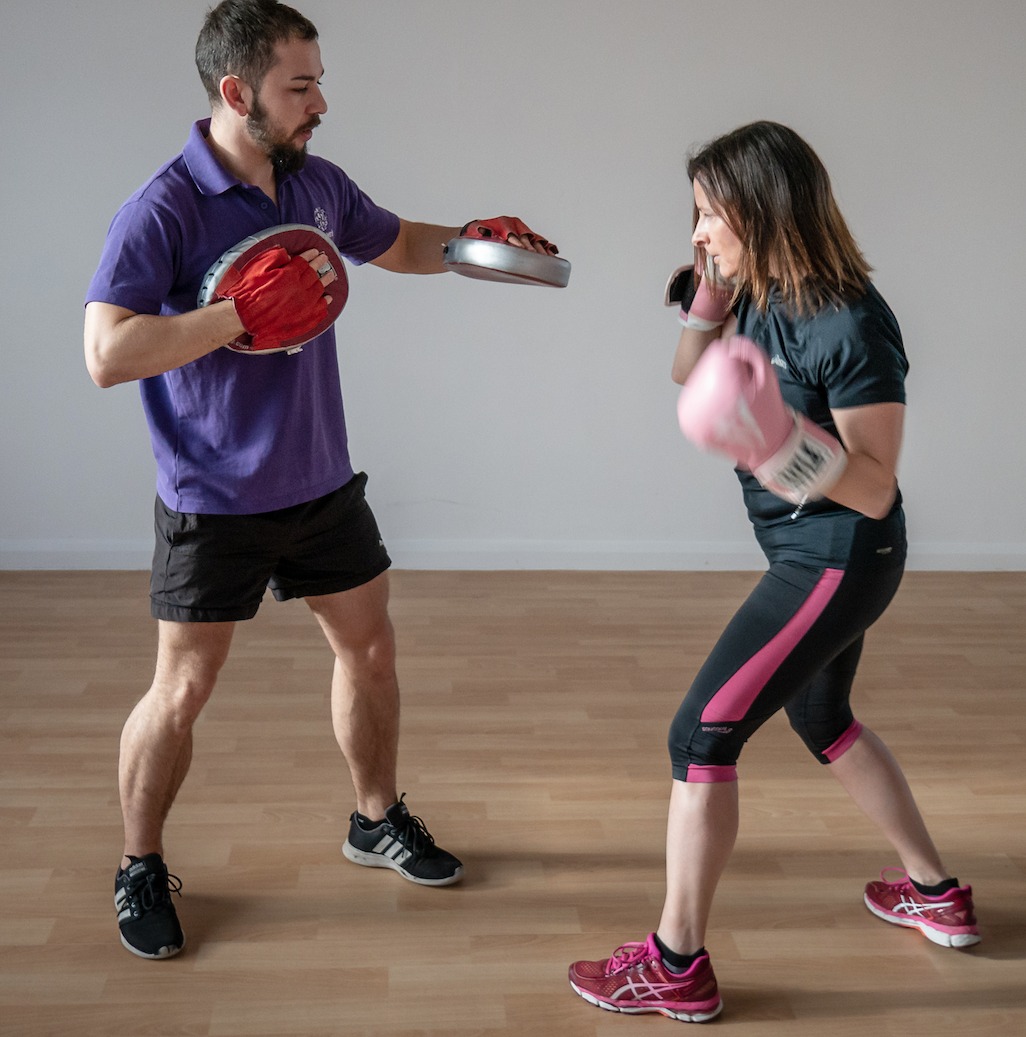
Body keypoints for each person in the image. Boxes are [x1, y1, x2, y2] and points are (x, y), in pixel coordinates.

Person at [84, 0, 558, 961]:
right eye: (299, 86)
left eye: (318, 80)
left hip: (320, 479)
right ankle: (139, 862)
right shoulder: (164, 206)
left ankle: (372, 817)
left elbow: (394, 242)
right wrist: (232, 316)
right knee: (180, 689)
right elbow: (106, 351)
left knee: (370, 651)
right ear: (236, 92)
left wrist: (475, 244)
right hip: (211, 496)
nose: (320, 102)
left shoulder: (315, 185)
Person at [567, 121, 979, 1023]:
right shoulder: (750, 288)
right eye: (696, 213)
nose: (696, 231)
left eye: (711, 214)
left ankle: (675, 963)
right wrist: (710, 292)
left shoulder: (849, 322)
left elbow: (871, 489)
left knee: (699, 735)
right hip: (806, 550)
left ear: (763, 209)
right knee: (821, 714)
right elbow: (686, 371)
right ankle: (933, 891)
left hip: (838, 556)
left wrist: (780, 447)